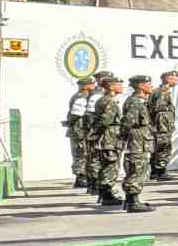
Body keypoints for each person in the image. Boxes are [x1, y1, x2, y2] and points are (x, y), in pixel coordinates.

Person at [120, 75, 157, 214]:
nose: (151, 86)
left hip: (141, 139)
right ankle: (132, 202)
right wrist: (124, 139)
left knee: (139, 168)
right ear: (141, 86)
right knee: (136, 168)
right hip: (137, 140)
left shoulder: (141, 101)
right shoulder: (136, 102)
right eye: (149, 83)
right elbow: (127, 123)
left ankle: (131, 200)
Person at [90, 73, 126, 209]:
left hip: (109, 136)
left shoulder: (105, 99)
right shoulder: (109, 101)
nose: (122, 87)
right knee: (110, 165)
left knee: (108, 165)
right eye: (119, 84)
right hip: (110, 137)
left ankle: (105, 193)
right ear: (111, 87)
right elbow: (105, 121)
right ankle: (107, 195)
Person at [64, 76, 95, 189]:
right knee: (80, 153)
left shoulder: (85, 97)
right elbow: (75, 115)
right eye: (92, 84)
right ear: (86, 86)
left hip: (82, 129)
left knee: (83, 153)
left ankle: (83, 176)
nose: (94, 86)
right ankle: (80, 177)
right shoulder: (80, 97)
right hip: (79, 130)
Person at [149, 71, 178, 181]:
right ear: (167, 79)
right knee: (163, 147)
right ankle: (160, 171)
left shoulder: (163, 91)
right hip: (162, 126)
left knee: (158, 148)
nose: (176, 80)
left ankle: (155, 172)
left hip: (162, 125)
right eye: (174, 78)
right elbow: (158, 109)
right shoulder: (162, 92)